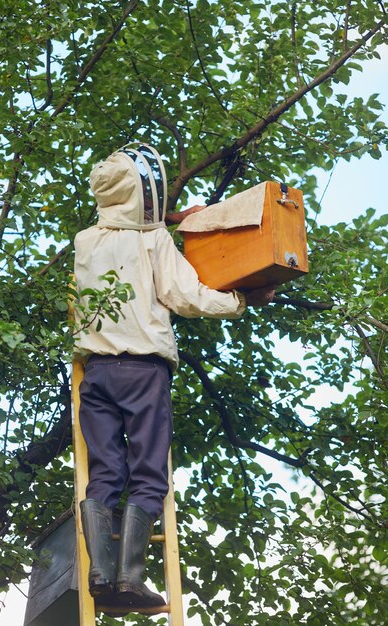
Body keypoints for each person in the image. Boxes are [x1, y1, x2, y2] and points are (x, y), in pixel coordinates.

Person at [73, 143, 274, 610]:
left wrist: (178, 216)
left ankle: (101, 573)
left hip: (96, 373)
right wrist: (239, 303)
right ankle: (129, 580)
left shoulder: (87, 240)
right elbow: (186, 295)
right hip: (143, 371)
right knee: (147, 475)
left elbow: (129, 223)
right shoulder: (152, 240)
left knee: (104, 474)